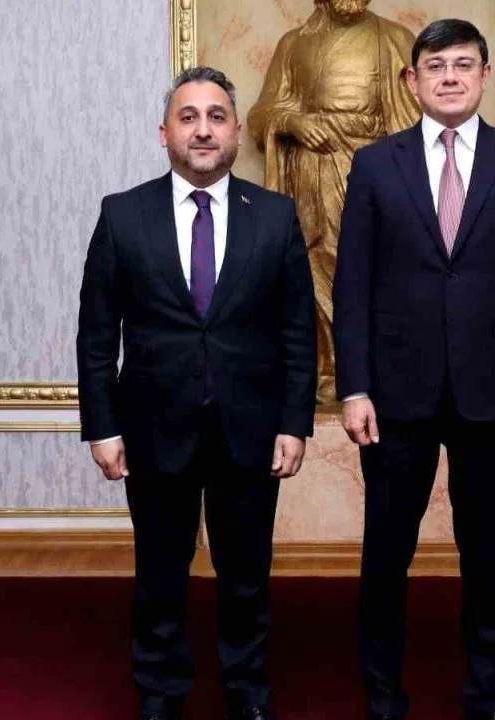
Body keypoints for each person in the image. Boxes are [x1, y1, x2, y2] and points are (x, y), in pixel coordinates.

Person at [332, 19, 495, 720]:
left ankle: (487, 695)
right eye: (435, 66)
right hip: (394, 393)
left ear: (486, 75)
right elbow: (351, 285)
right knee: (385, 553)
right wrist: (353, 386)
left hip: (492, 392)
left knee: (485, 554)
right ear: (413, 81)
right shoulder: (376, 164)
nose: (451, 77)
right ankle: (382, 694)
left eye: (464, 64)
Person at [76, 66, 317, 720]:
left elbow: (298, 331)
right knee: (159, 575)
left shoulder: (275, 217)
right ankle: (160, 695)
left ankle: (247, 694)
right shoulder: (123, 215)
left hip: (250, 429)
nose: (203, 130)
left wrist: (294, 422)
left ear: (236, 132)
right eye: (188, 117)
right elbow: (96, 334)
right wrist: (103, 426)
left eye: (216, 117)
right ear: (165, 133)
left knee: (247, 576)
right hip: (154, 430)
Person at [247, 0, 419, 404]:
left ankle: (370, 371)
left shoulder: (396, 40)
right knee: (313, 266)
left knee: (375, 268)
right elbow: (259, 117)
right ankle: (328, 370)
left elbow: (419, 125)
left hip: (374, 177)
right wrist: (292, 121)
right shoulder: (294, 45)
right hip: (312, 175)